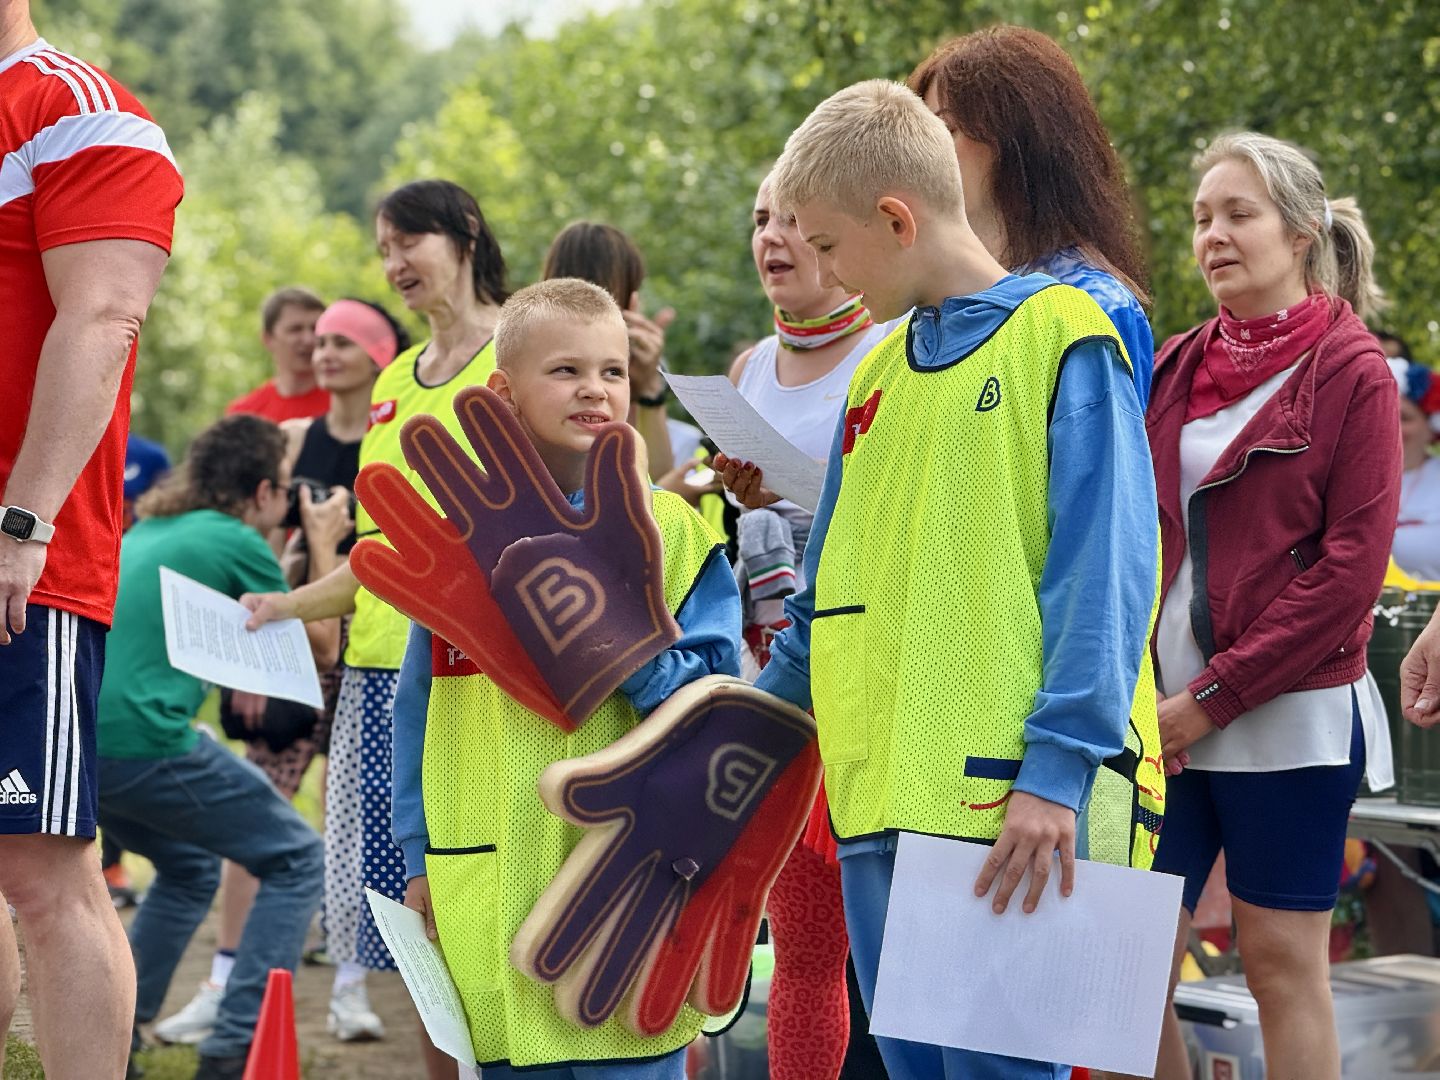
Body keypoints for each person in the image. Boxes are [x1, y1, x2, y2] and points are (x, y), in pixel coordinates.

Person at [754, 80, 1163, 1080]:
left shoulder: (1068, 336)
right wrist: (734, 737)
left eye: (829, 246)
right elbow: (823, 598)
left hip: (1014, 818)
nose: (825, 273)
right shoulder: (879, 373)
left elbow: (1105, 579)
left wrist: (1056, 774)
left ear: (895, 219)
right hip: (876, 807)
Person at [388, 277, 741, 1078]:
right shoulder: (457, 545)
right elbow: (415, 715)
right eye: (566, 370)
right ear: (502, 393)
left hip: (626, 894)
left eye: (613, 371)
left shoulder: (676, 534)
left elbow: (719, 702)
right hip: (487, 892)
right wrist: (418, 859)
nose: (595, 389)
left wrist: (615, 638)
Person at [1144, 132, 1396, 1080]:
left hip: (1283, 713)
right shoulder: (1170, 364)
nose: (1213, 234)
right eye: (1202, 217)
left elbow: (1348, 576)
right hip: (1154, 712)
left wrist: (1209, 700)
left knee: (1282, 964)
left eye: (1237, 214)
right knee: (1122, 969)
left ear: (1299, 233)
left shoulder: (1353, 371)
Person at [241, 178, 506, 1077]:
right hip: (381, 675)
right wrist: (283, 606)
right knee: (412, 925)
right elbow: (381, 551)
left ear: (465, 234)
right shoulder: (395, 379)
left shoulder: (522, 347)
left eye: (409, 243)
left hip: (484, 679)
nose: (394, 265)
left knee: (489, 904)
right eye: (383, 249)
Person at [0, 3, 183, 1075]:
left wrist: (22, 524)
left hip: (26, 558)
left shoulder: (76, 108)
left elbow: (105, 314)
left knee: (41, 871)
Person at [152, 299, 409, 1049]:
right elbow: (260, 538)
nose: (323, 354)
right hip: (298, 632)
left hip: (374, 635)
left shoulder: (395, 436)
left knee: (355, 815)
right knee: (263, 797)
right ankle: (222, 979)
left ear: (377, 352)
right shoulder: (295, 438)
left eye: (341, 342)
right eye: (318, 340)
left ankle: (351, 992)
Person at [96, 415, 345, 1080]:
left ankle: (115, 1038)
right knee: (298, 858)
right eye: (286, 489)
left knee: (188, 869)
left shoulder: (154, 528)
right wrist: (320, 541)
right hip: (147, 740)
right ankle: (236, 1046)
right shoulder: (236, 537)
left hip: (86, 743)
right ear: (263, 492)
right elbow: (323, 647)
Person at [713, 172, 891, 1080]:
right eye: (759, 220)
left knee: (897, 964)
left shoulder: (894, 348)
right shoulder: (746, 368)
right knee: (806, 955)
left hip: (871, 685)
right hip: (776, 680)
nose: (773, 238)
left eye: (792, 219)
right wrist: (745, 496)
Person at [908, 24, 1154, 406]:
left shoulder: (1093, 307)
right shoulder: (927, 311)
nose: (923, 154)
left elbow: (1101, 464)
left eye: (945, 129)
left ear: (1015, 138)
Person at [541, 221, 679, 479]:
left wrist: (648, 386)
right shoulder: (536, 355)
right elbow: (657, 485)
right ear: (628, 298)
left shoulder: (636, 363)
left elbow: (656, 482)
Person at [225, 286, 329, 422]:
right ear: (268, 339)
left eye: (315, 328)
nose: (309, 339)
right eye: (295, 329)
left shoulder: (349, 404)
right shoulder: (245, 414)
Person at [1391, 360, 1440, 580]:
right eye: (1386, 413)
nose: (1393, 425)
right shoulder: (1349, 479)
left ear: (1431, 428)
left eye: (1405, 418)